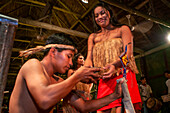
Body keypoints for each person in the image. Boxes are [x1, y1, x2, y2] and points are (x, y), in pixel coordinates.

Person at [9, 33, 123, 113]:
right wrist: (77, 76)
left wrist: (114, 96)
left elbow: (84, 107)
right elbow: (44, 100)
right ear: (53, 52)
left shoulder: (58, 81)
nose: (70, 63)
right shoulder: (33, 65)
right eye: (68, 56)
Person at [84, 2, 142, 113]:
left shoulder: (123, 29)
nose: (100, 17)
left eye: (102, 13)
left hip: (123, 75)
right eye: (96, 16)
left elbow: (128, 55)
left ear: (109, 14)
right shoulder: (93, 37)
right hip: (105, 78)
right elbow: (89, 59)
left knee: (127, 109)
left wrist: (115, 65)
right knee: (102, 109)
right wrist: (85, 71)